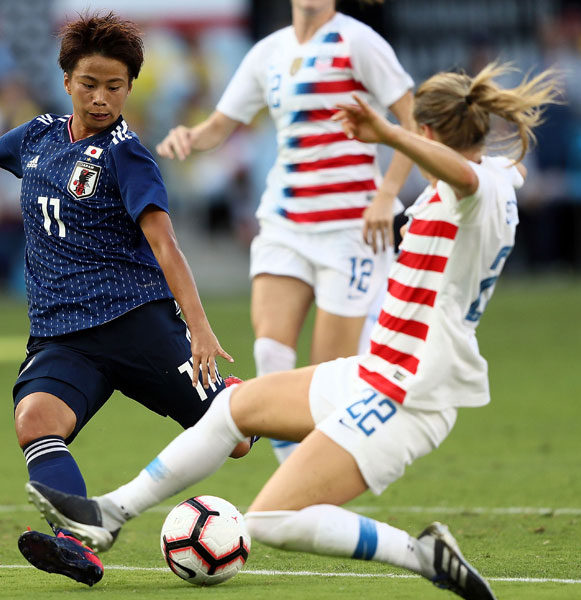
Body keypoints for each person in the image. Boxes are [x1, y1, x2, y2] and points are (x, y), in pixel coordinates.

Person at [26, 62, 561, 599]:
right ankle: (107, 514)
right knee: (233, 410)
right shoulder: (498, 175)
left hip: (413, 393)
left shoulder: (476, 189)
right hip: (379, 369)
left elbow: (464, 176)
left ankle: (422, 554)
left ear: (424, 134)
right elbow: (477, 166)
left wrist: (387, 133)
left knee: (273, 519)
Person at [0, 12, 251, 587]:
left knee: (237, 440)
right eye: (89, 83)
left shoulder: (127, 155)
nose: (100, 97)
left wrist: (201, 328)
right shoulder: (37, 136)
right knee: (35, 420)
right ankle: (78, 543)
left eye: (115, 86)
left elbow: (166, 246)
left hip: (137, 322)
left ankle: (248, 401)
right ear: (67, 80)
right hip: (63, 334)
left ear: (129, 88)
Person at [156, 0, 417, 463]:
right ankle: (292, 483)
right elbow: (221, 124)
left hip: (351, 229)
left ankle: (312, 481)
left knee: (327, 375)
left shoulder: (359, 41)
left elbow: (412, 123)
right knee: (271, 354)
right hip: (284, 223)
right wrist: (190, 137)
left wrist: (386, 194)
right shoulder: (268, 52)